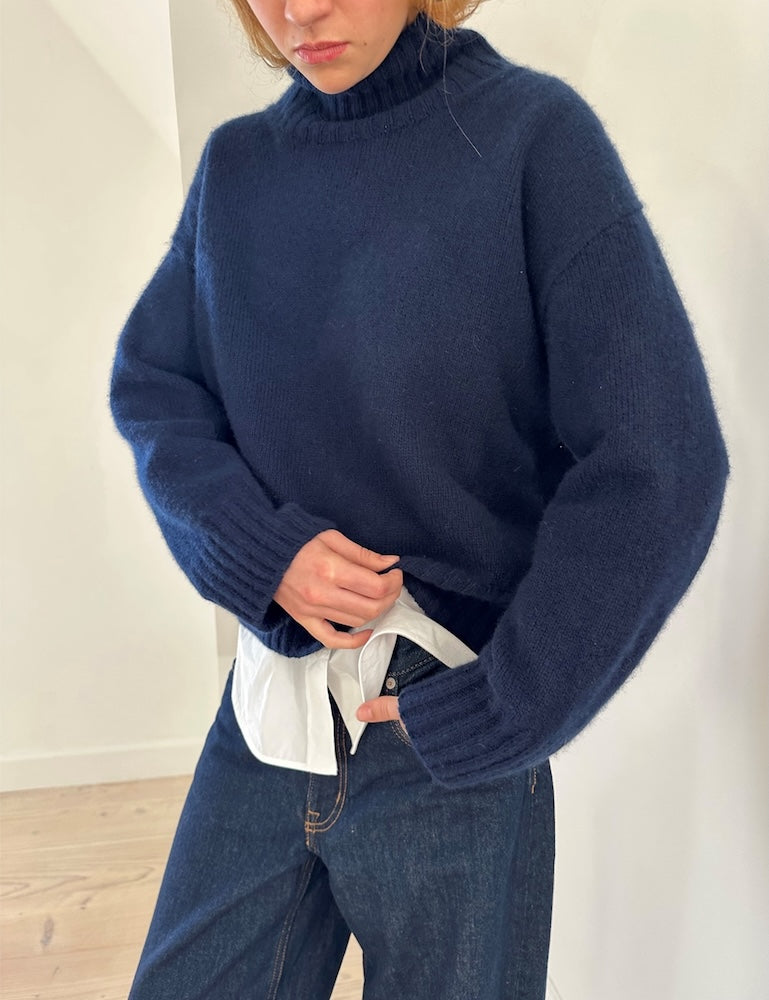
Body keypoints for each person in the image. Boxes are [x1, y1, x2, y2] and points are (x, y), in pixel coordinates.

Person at [109, 1, 728, 997]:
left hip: (446, 731)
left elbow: (661, 456)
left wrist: (506, 705)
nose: (297, 9)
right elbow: (155, 387)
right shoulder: (236, 171)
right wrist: (261, 550)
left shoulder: (533, 140)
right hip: (269, 712)